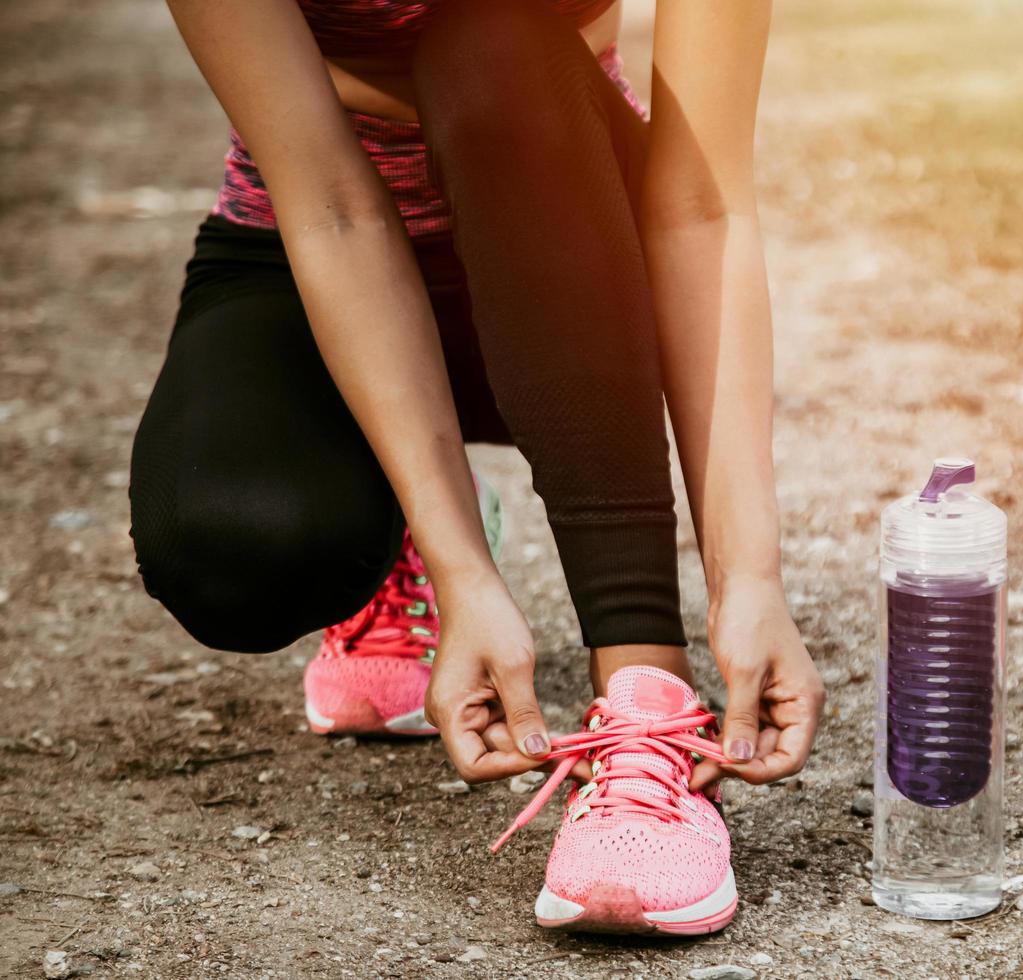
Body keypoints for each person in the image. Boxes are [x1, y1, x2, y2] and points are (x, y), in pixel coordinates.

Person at [129, 0, 824, 934]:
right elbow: (330, 205)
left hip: (565, 234)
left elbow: (702, 203)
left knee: (493, 44)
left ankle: (644, 707)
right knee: (228, 549)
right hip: (315, 242)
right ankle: (413, 523)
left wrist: (751, 579)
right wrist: (464, 574)